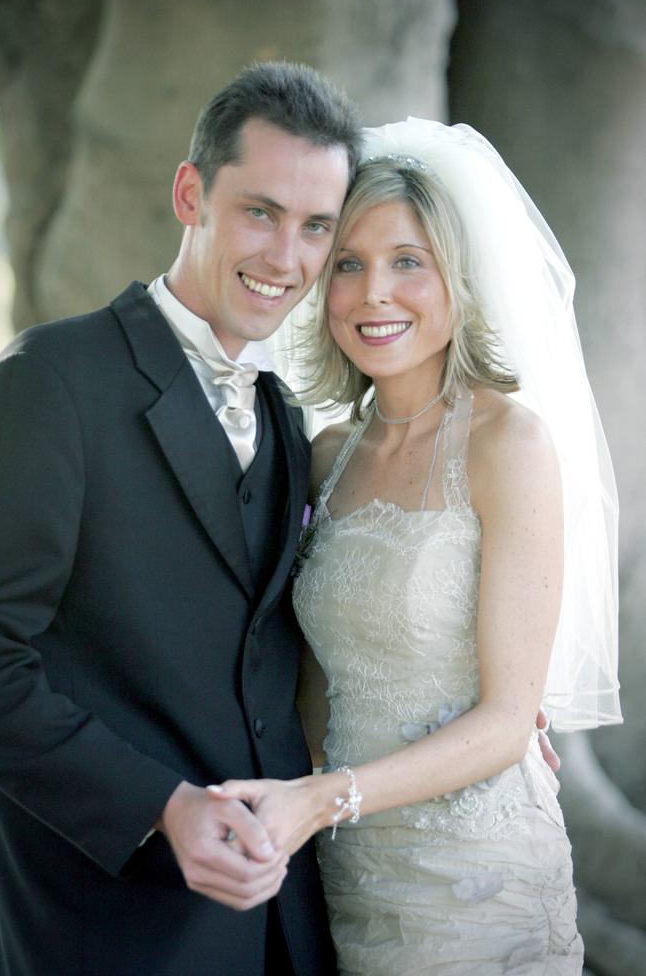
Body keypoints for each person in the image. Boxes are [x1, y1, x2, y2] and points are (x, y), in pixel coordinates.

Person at [209, 118, 622, 974]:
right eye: (349, 265)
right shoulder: (326, 456)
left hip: (476, 878)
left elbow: (509, 721)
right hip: (348, 872)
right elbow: (312, 686)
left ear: (458, 280)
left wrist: (323, 800)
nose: (373, 295)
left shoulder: (508, 445)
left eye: (408, 262)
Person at [0, 61, 361, 976]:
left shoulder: (285, 415)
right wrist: (161, 804)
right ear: (190, 193)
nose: (287, 258)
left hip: (281, 923)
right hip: (106, 924)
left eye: (317, 227)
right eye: (260, 211)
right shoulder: (52, 382)